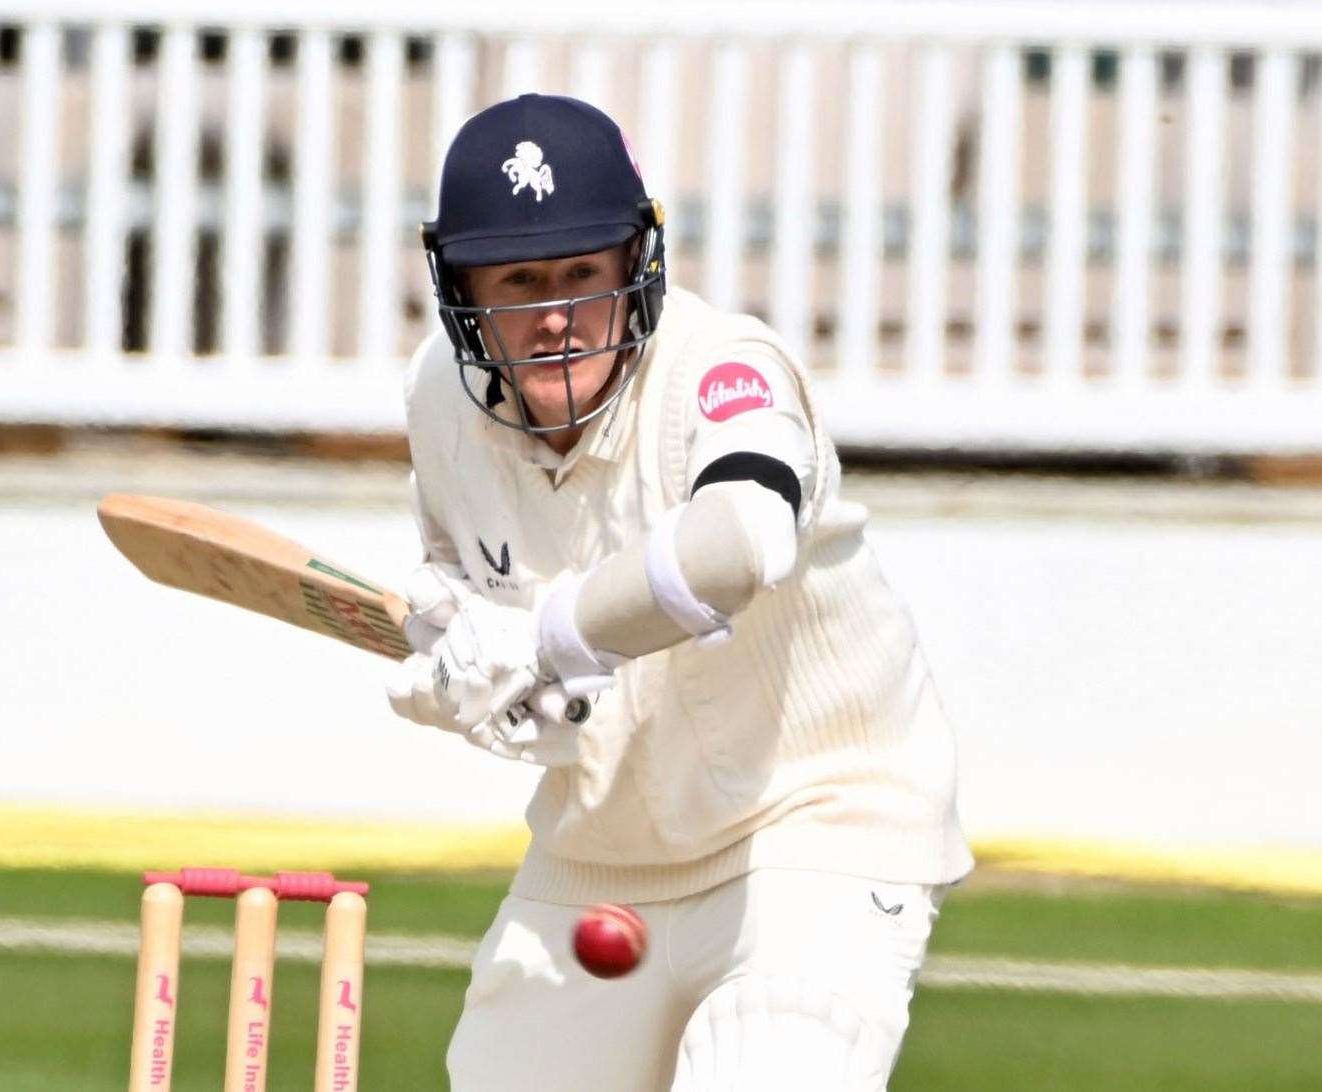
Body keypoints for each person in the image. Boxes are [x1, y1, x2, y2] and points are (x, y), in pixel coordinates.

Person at [385, 93, 973, 1091]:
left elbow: (738, 542)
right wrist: (473, 672)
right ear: (461, 289)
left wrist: (542, 640)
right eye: (520, 282)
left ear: (637, 267)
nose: (557, 315)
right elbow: (476, 591)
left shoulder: (723, 369)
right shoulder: (439, 396)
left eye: (582, 274)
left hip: (813, 830)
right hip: (600, 850)